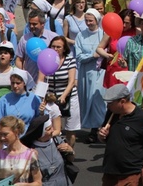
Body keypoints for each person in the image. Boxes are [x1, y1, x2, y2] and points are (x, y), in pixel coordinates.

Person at [98, 84, 143, 185]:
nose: (107, 105)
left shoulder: (142, 118)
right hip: (110, 174)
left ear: (122, 101)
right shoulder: (112, 113)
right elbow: (105, 139)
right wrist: (101, 136)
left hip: (131, 175)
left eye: (110, 103)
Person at [39, 36, 81, 147]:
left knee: (71, 130)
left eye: (58, 47)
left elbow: (71, 81)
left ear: (64, 49)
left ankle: (69, 151)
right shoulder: (45, 59)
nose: (55, 49)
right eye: (53, 46)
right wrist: (40, 98)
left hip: (69, 96)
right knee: (51, 128)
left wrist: (63, 96)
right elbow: (40, 80)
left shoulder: (70, 60)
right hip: (51, 98)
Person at [75, 9, 107, 142]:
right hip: (86, 73)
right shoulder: (80, 36)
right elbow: (78, 56)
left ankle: (98, 129)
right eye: (86, 21)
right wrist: (92, 56)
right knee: (88, 99)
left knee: (98, 100)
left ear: (97, 20)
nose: (88, 23)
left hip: (100, 73)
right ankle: (93, 128)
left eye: (91, 21)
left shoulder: (103, 35)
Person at [21, 115, 75, 185]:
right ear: (40, 133)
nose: (53, 130)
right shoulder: (31, 150)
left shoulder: (57, 141)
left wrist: (71, 151)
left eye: (52, 127)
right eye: (48, 129)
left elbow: (71, 160)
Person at [0, 116, 42, 185]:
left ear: (16, 132)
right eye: (1, 134)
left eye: (5, 134)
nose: (2, 138)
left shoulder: (29, 155)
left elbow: (38, 183)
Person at [96, 9, 137, 89]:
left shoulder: (135, 33)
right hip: (113, 70)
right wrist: (107, 55)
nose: (124, 25)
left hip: (128, 71)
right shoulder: (112, 30)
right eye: (123, 22)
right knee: (112, 99)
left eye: (127, 23)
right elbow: (99, 48)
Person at [16, 9, 58, 82]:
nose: (31, 26)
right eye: (30, 24)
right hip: (30, 81)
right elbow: (19, 59)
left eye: (35, 24)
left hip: (49, 81)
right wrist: (22, 75)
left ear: (43, 24)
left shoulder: (53, 38)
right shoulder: (24, 39)